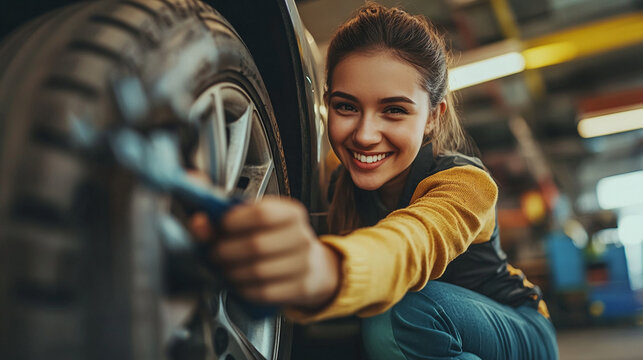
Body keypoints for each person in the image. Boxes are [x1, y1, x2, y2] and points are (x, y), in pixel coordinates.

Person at [190, 2, 559, 359]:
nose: (365, 135)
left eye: (394, 110)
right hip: (424, 339)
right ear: (326, 103)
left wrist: (324, 269)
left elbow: (408, 246)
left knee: (399, 317)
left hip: (518, 333)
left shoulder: (467, 184)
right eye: (346, 106)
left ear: (433, 116)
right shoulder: (334, 177)